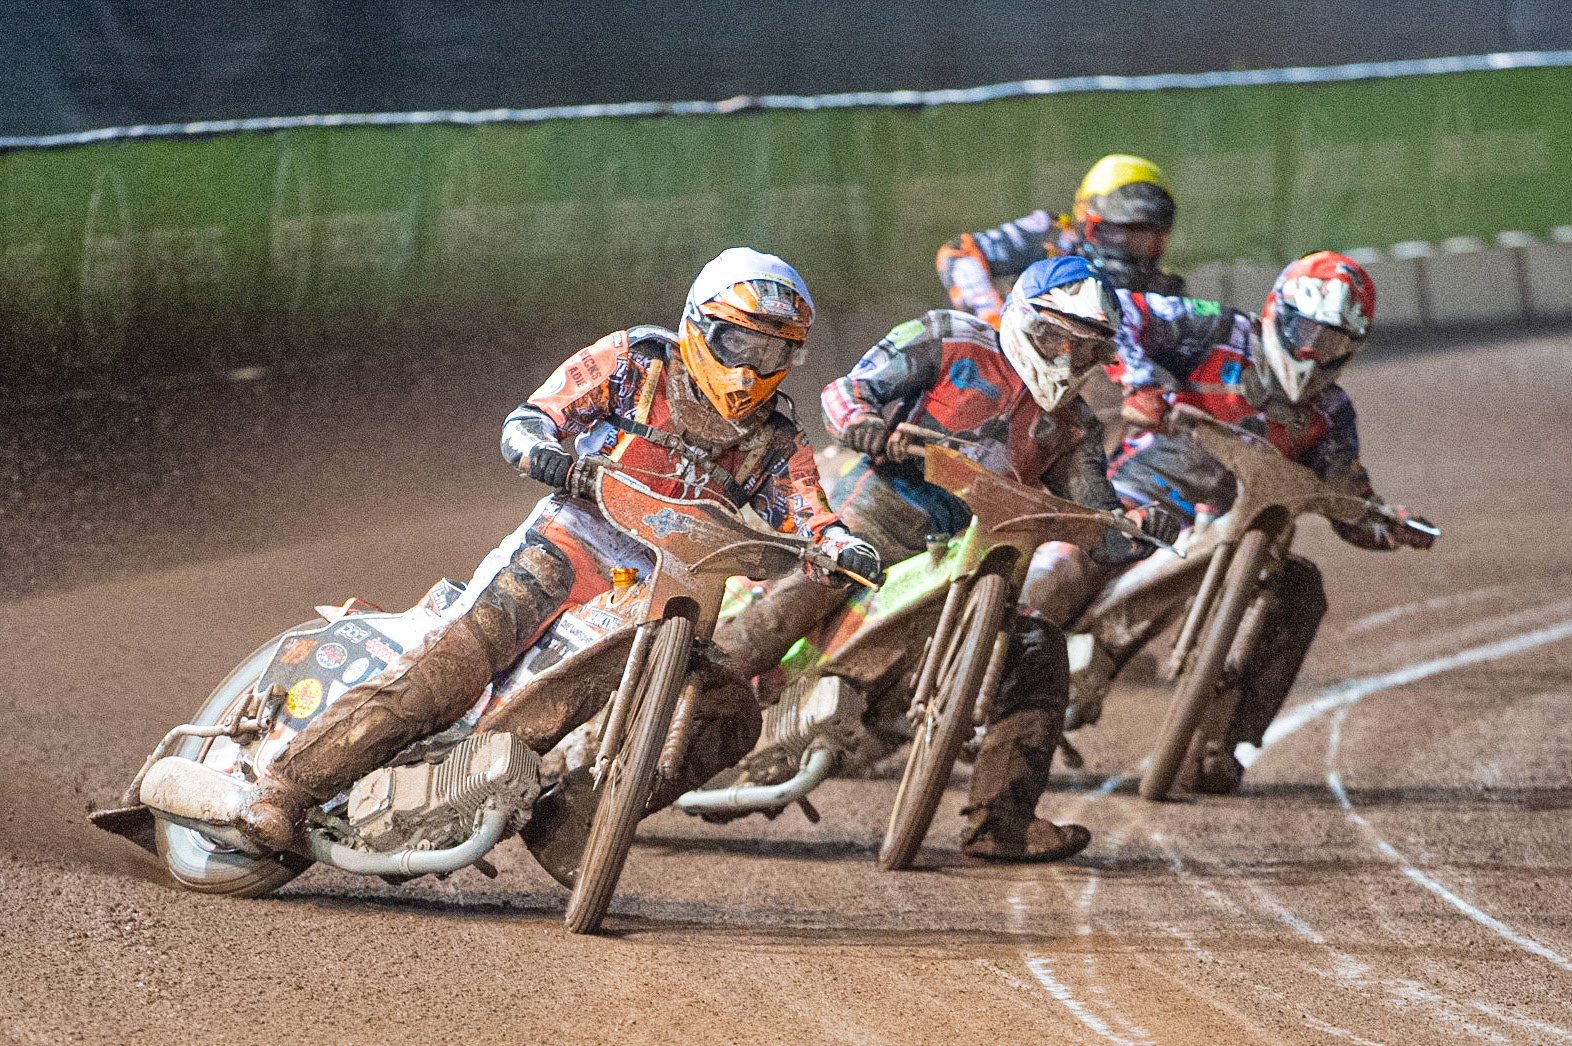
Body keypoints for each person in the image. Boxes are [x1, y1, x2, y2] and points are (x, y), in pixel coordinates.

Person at [232, 248, 883, 861]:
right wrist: (542, 450)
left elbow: (808, 509)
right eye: (738, 340)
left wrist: (843, 545)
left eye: (772, 348)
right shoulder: (636, 359)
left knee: (727, 712)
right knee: (461, 659)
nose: (750, 363)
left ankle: (569, 821)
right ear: (697, 324)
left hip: (677, 587)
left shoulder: (777, 436)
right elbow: (536, 415)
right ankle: (286, 788)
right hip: (576, 538)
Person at [719, 257, 1178, 862]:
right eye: (1055, 338)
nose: (1066, 359)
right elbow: (847, 391)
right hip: (876, 513)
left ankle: (1002, 824)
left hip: (975, 557)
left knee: (1039, 649)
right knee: (813, 584)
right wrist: (863, 423)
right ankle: (680, 708)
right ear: (1021, 319)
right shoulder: (948, 338)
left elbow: (1099, 520)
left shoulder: (1076, 429)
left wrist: (1140, 527)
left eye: (1086, 349)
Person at [1027, 251, 1436, 792]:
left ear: (1351, 350)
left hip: (1240, 528)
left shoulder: (1332, 413)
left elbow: (1347, 496)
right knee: (1072, 555)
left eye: (1331, 342)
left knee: (1300, 586)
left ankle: (1224, 743)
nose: (1313, 350)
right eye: (1306, 330)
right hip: (1147, 487)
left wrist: (1388, 524)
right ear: (1277, 311)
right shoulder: (1217, 327)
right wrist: (1142, 382)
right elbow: (1120, 309)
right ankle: (995, 666)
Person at [936, 154, 1184, 328]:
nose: (1123, 246)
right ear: (1083, 218)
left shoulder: (1165, 293)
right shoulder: (1052, 237)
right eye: (1111, 231)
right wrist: (995, 322)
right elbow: (958, 255)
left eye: (1141, 236)